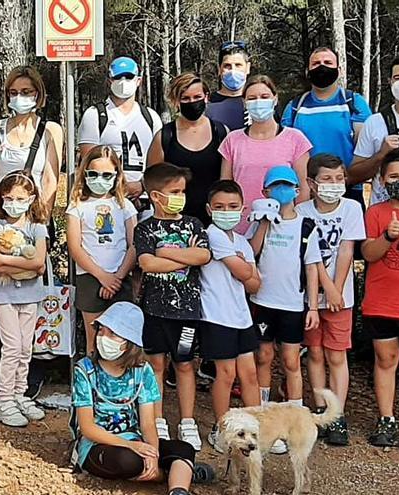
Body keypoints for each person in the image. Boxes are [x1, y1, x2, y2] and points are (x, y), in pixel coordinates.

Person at [71, 302, 212, 495]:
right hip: (98, 444)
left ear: (130, 342)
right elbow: (87, 427)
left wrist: (152, 453)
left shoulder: (143, 370)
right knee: (127, 461)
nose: (103, 338)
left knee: (184, 448)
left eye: (112, 334)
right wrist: (132, 446)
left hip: (135, 438)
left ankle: (178, 490)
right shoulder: (84, 370)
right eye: (101, 331)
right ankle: (172, 473)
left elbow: (147, 423)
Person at [135, 163, 210, 450]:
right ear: (156, 196)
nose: (181, 196)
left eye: (183, 191)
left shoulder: (193, 224)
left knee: (185, 364)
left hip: (187, 311)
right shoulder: (145, 228)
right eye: (174, 191)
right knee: (155, 364)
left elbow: (203, 255)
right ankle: (157, 420)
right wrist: (183, 257)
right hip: (154, 310)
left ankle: (187, 421)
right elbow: (146, 263)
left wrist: (165, 253)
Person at [247, 166, 321, 454]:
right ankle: (265, 418)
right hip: (263, 302)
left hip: (292, 304)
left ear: (297, 190)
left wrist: (312, 306)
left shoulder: (305, 227)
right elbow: (252, 251)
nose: (282, 191)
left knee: (291, 361)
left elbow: (312, 268)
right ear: (265, 192)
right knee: (263, 356)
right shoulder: (260, 222)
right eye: (275, 186)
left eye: (287, 185)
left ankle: (295, 421)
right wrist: (264, 222)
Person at [295, 154, 365, 446]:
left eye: (339, 179)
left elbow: (346, 251)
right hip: (309, 297)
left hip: (341, 298)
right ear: (311, 183)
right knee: (314, 352)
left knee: (337, 355)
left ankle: (337, 414)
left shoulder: (351, 208)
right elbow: (309, 256)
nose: (333, 185)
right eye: (326, 179)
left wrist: (337, 289)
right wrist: (326, 289)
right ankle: (320, 408)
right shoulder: (301, 212)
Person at [199, 180, 261, 453]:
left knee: (249, 374)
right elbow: (247, 274)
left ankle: (255, 431)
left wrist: (244, 266)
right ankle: (222, 429)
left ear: (243, 208)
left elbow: (255, 284)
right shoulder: (212, 235)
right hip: (216, 315)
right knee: (226, 374)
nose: (227, 211)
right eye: (220, 207)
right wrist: (244, 267)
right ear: (209, 209)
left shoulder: (242, 242)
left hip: (241, 316)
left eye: (233, 206)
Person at [0, 173, 48, 427]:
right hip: (4, 296)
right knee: (11, 347)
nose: (14, 203)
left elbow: (39, 263)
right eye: (8, 198)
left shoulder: (37, 226)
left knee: (25, 347)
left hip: (30, 295)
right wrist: (26, 266)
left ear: (31, 199)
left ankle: (20, 393)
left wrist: (7, 261)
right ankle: (4, 399)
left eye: (20, 198)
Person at [219, 75, 312, 233]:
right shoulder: (232, 140)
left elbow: (303, 189)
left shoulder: (295, 139)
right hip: (241, 227)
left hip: (282, 227)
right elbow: (225, 187)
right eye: (252, 98)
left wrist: (295, 223)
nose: (258, 102)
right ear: (244, 102)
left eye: (264, 97)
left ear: (275, 99)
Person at [67, 146, 137, 355]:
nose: (100, 179)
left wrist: (117, 278)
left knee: (120, 339)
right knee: (94, 339)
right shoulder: (77, 206)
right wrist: (102, 276)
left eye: (107, 175)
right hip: (89, 278)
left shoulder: (125, 206)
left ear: (116, 175)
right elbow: (75, 247)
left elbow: (134, 245)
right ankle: (92, 386)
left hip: (121, 277)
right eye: (94, 174)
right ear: (85, 174)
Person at [281, 47, 372, 206]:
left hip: (347, 190)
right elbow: (285, 151)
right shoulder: (295, 107)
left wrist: (347, 178)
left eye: (328, 62)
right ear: (307, 70)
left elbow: (365, 150)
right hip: (307, 192)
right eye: (316, 63)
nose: (322, 67)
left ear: (339, 69)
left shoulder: (354, 103)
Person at [360, 148, 399, 448]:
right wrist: (387, 237)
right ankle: (387, 419)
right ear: (382, 179)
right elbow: (368, 254)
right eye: (394, 176)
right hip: (382, 302)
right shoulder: (376, 212)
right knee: (385, 360)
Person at [77, 56, 162, 212]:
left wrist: (142, 185)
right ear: (110, 81)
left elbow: (158, 161)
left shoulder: (151, 117)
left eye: (129, 77)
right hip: (106, 198)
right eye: (118, 77)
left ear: (138, 81)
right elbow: (89, 159)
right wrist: (118, 186)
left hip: (146, 200)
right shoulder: (95, 114)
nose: (123, 81)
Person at [147, 73, 228, 226]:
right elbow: (152, 181)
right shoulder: (164, 137)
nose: (192, 102)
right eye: (185, 98)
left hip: (215, 221)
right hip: (174, 221)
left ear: (206, 97)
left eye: (197, 97)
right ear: (176, 101)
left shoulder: (221, 132)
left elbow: (228, 180)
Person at [0, 66, 62, 216]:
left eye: (26, 92)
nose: (19, 97)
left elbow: (50, 181)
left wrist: (42, 221)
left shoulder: (50, 130)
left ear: (37, 94)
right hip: (1, 215)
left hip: (33, 215)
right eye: (13, 93)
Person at [350, 52, 399, 205]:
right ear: (390, 81)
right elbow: (354, 176)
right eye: (398, 78)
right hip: (382, 218)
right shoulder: (375, 123)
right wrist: (381, 154)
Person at [205, 41, 251, 131]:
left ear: (247, 67)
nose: (233, 70)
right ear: (219, 69)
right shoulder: (207, 104)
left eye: (238, 65)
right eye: (227, 66)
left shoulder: (260, 103)